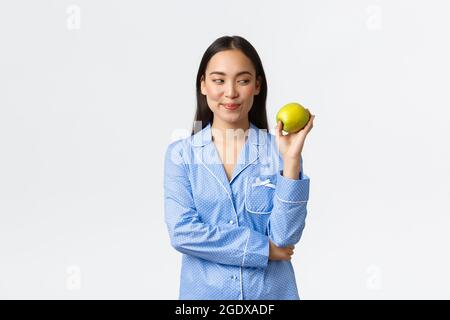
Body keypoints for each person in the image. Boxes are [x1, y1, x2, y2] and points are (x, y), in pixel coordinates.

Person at [164, 35, 315, 300]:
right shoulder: (182, 155)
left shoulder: (279, 152)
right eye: (219, 80)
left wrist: (291, 160)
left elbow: (285, 238)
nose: (231, 92)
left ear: (257, 86)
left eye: (243, 80)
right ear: (203, 85)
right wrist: (262, 249)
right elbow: (183, 233)